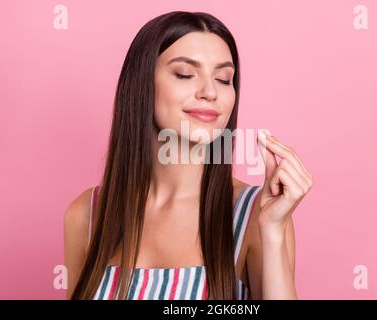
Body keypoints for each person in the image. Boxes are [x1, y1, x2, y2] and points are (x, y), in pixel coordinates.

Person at [64, 10, 313, 300]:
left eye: (223, 79)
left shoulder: (257, 215)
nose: (210, 92)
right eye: (185, 74)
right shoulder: (87, 215)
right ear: (142, 84)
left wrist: (272, 231)